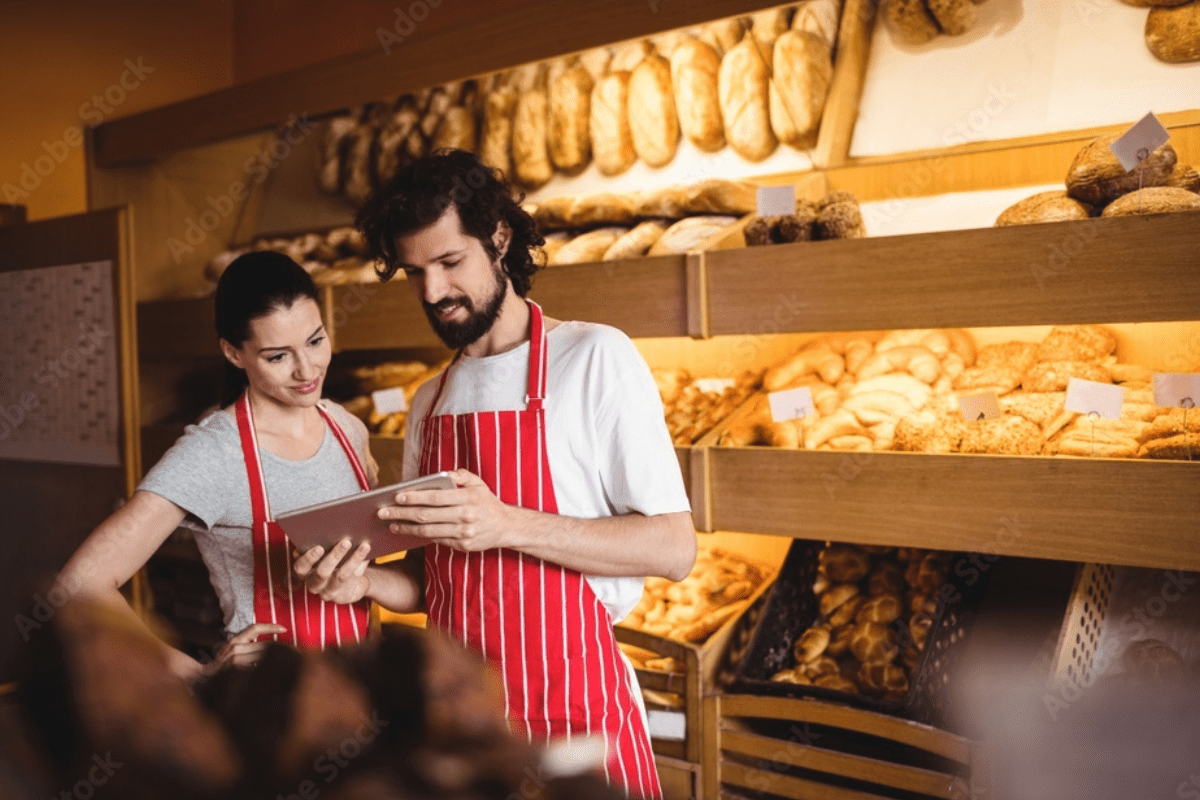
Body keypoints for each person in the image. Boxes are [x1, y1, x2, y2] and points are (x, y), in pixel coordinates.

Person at [307, 148, 697, 798]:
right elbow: (437, 584)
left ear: (499, 238)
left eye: (449, 262)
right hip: (469, 732)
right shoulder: (429, 403)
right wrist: (363, 582)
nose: (433, 292)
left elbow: (674, 549)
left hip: (576, 721)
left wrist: (506, 524)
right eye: (415, 273)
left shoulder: (594, 358)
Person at [60, 251, 416, 682]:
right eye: (277, 356)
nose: (307, 369)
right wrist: (201, 676)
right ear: (233, 352)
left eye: (315, 341)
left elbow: (382, 578)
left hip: (357, 689)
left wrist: (366, 584)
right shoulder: (214, 453)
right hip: (266, 700)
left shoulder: (348, 428)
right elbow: (78, 587)